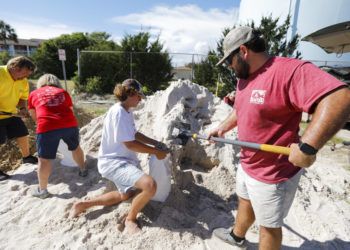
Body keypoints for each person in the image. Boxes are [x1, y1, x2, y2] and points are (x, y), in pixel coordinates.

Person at [210, 26, 350, 249]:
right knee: (245, 202)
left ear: (243, 51)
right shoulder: (244, 77)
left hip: (273, 174)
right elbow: (241, 108)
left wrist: (307, 147)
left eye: (229, 60)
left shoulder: (289, 71)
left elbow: (340, 98)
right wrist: (221, 129)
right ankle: (237, 236)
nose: (229, 66)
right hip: (248, 164)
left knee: (269, 227)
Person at [70, 79, 169, 234]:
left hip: (122, 160)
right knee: (150, 186)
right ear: (131, 94)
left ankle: (82, 205)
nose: (140, 99)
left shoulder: (125, 110)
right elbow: (130, 144)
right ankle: (130, 219)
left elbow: (133, 133)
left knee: (127, 194)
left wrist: (154, 143)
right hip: (114, 162)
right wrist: (155, 151)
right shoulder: (119, 112)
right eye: (139, 96)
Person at [28, 74, 88, 199]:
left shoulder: (34, 93)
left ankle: (42, 190)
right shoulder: (62, 92)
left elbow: (33, 114)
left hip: (47, 125)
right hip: (69, 124)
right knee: (75, 147)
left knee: (44, 159)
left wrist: (40, 124)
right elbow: (70, 110)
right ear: (56, 82)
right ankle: (83, 170)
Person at [0, 56, 38, 181]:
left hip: (10, 113)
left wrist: (22, 109)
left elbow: (22, 98)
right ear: (15, 67)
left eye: (28, 75)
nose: (25, 78)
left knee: (22, 132)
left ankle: (26, 157)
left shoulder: (23, 81)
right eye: (24, 74)